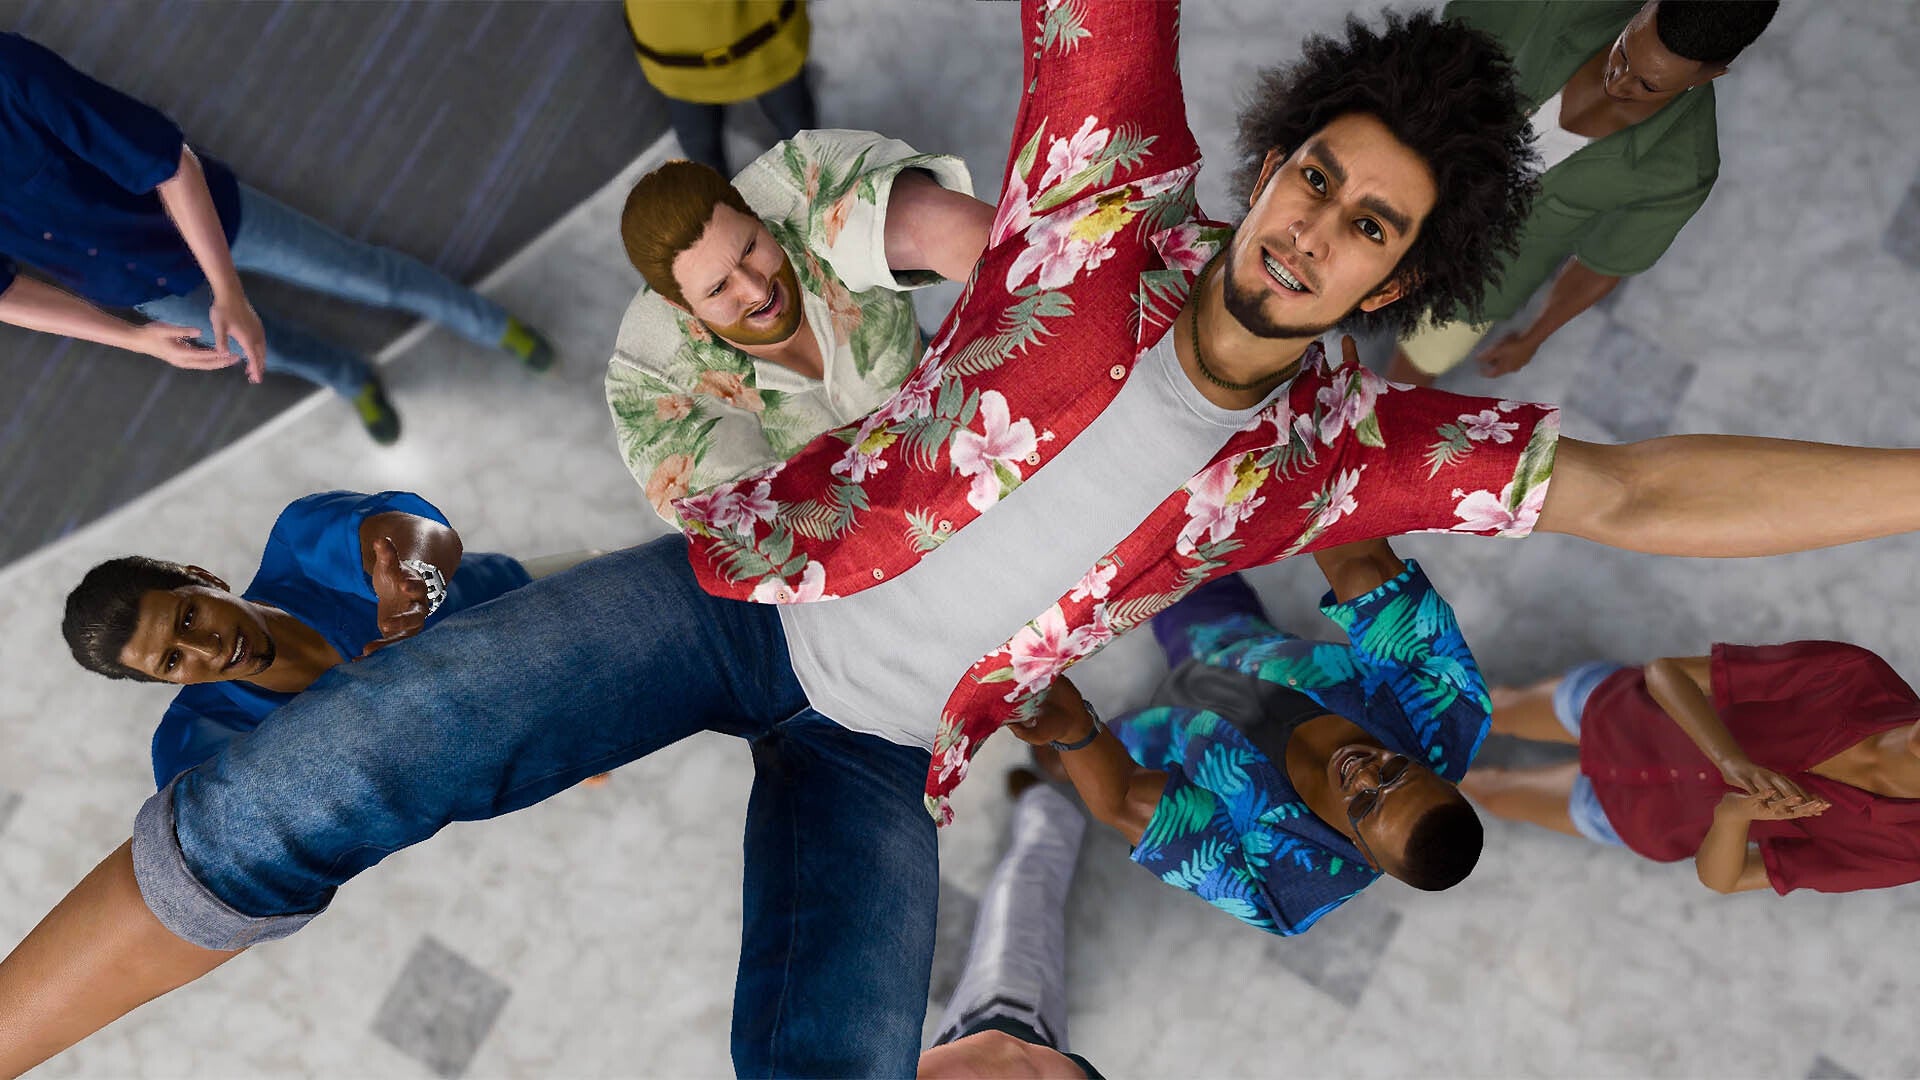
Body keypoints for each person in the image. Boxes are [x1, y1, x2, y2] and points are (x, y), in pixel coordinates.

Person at [18, 3, 1920, 1074]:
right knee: (322, 776)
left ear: (1398, 281)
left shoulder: (1353, 451)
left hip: (888, 751)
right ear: (1273, 157)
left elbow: (1636, 492)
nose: (1310, 228)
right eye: (1316, 175)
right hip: (734, 605)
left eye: (1368, 228)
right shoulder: (1108, 190)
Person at [0, 33, 556, 445]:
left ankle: (493, 324)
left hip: (210, 217)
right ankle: (352, 380)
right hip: (140, 285)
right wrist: (133, 339)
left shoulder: (13, 72)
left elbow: (170, 164)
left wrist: (228, 290)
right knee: (267, 350)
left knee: (361, 275)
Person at [1009, 538, 1486, 936]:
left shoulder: (1284, 886)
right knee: (1168, 545)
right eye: (1395, 770)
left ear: (1362, 854)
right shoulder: (1446, 702)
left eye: (1364, 804)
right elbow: (1360, 559)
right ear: (1437, 774)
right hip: (1235, 640)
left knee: (1097, 745)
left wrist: (1073, 732)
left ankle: (1060, 763)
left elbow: (1126, 798)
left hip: (1166, 747)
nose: (1363, 772)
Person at [59, 491, 591, 788]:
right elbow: (204, 835)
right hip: (511, 740)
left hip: (539, 603)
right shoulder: (197, 737)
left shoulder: (301, 544)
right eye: (174, 660)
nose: (209, 648)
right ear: (164, 682)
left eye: (190, 616)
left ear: (206, 578)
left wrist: (414, 582)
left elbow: (413, 534)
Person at [1384, 0, 1779, 385]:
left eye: (1647, 85)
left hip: (1480, 282)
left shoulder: (1682, 172)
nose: (1617, 81)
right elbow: (1447, 39)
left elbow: (1603, 265)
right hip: (1399, 186)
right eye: (1624, 51)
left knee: (1411, 374)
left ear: (1709, 75)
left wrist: (1533, 337)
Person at [606, 131, 990, 523]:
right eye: (720, 288)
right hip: (843, 515)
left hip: (928, 385)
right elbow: (743, 526)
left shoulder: (803, 178)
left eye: (750, 249)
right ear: (680, 305)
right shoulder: (649, 379)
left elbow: (940, 231)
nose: (756, 290)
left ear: (754, 215)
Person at [1462, 642, 1920, 896]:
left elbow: (1726, 879)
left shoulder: (1904, 852)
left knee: (1491, 792)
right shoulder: (1858, 675)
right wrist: (1728, 758)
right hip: (1622, 713)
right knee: (1489, 709)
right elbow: (1666, 673)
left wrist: (1733, 817)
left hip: (1639, 817)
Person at [916, 766, 1104, 1079]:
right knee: (1020, 901)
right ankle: (1050, 814)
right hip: (1012, 1021)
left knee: (1015, 911)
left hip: (976, 1030)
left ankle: (1049, 813)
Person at [623, 0, 815, 179]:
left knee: (793, 120)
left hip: (685, 51)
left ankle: (815, 184)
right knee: (793, 118)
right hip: (685, 52)